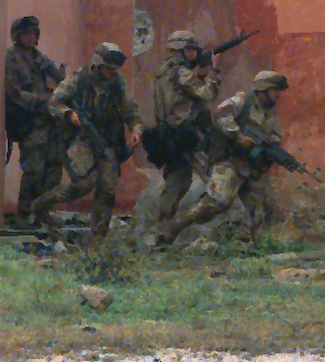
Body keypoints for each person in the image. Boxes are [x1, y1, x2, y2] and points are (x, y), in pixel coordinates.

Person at [156, 71, 289, 246]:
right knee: (217, 202)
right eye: (275, 90)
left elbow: (275, 137)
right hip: (229, 160)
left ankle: (253, 243)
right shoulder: (243, 100)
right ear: (263, 89)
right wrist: (238, 136)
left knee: (264, 207)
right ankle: (176, 226)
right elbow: (220, 114)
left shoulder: (270, 115)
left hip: (251, 166)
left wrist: (271, 150)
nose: (278, 95)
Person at [30, 46, 143, 241]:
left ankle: (98, 234)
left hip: (107, 141)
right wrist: (69, 114)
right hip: (82, 139)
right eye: (107, 68)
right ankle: (40, 205)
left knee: (107, 187)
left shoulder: (118, 84)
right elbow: (54, 101)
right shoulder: (79, 78)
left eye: (113, 69)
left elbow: (131, 111)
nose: (110, 72)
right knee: (81, 185)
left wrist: (136, 130)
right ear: (97, 64)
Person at [149, 30, 222, 223]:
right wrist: (213, 72)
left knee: (176, 181)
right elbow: (207, 94)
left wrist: (200, 74)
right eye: (191, 50)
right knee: (213, 172)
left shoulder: (163, 71)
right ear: (183, 51)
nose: (195, 53)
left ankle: (162, 226)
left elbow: (180, 95)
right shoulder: (181, 73)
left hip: (171, 134)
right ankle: (229, 219)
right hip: (188, 134)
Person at [4, 15, 66, 224]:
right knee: (34, 168)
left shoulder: (39, 58)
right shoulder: (11, 58)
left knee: (54, 166)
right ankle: (23, 214)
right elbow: (13, 92)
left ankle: (43, 211)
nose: (31, 37)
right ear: (18, 36)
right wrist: (41, 101)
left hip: (48, 120)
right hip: (28, 120)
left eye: (33, 33)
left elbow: (61, 80)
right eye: (26, 34)